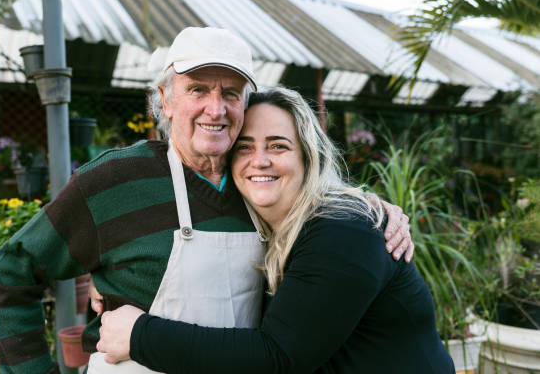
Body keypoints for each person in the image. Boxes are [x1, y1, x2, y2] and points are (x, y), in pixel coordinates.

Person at [0, 27, 413, 373]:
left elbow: (319, 203)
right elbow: (14, 268)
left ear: (247, 103)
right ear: (167, 99)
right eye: (197, 90)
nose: (216, 108)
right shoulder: (114, 181)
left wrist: (372, 207)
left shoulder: (258, 185)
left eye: (231, 92)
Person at [96, 87, 454, 373]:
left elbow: (279, 356)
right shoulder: (261, 229)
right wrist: (111, 277)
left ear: (308, 157)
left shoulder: (343, 229)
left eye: (278, 146)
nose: (260, 161)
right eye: (245, 148)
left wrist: (139, 336)